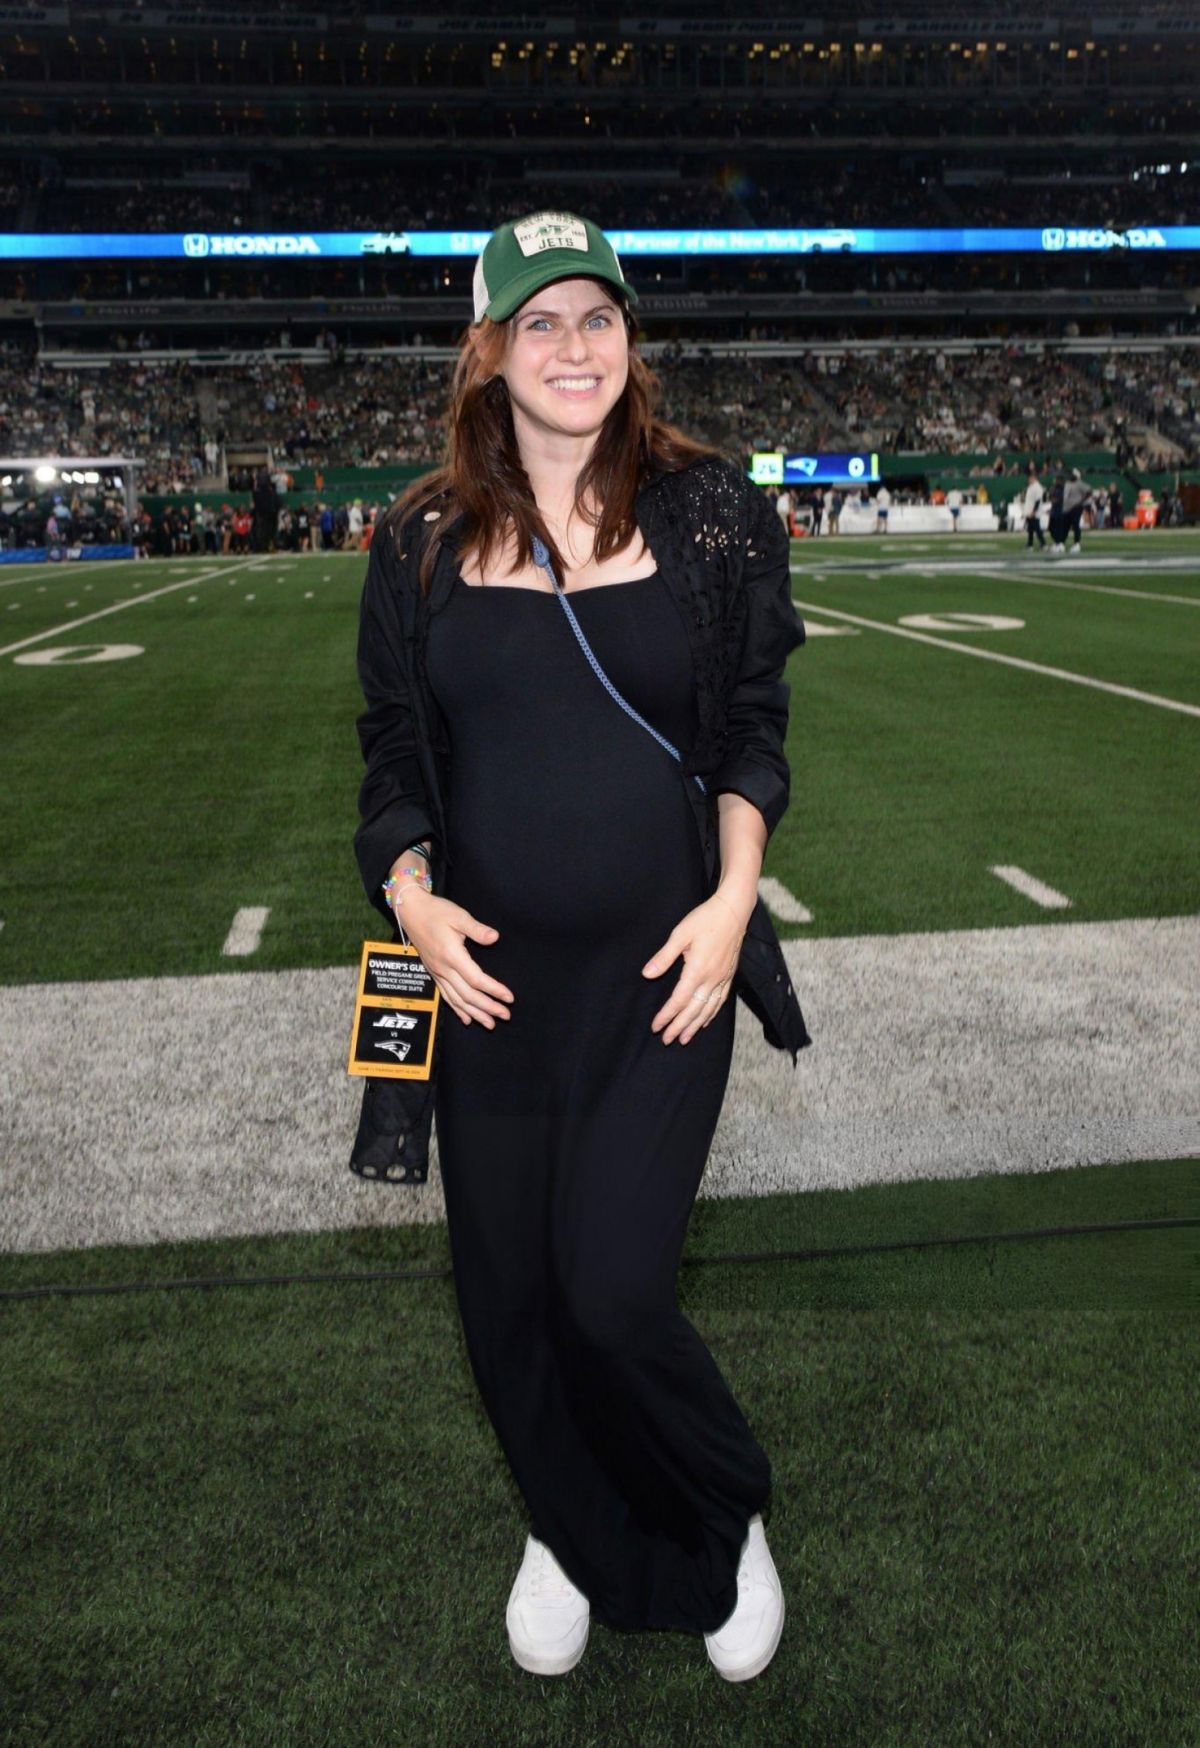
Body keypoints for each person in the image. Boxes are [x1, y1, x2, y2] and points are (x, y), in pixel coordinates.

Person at [353, 210, 807, 1683]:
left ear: (631, 341)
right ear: (485, 352)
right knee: (509, 1308)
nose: (572, 348)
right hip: (482, 995)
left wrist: (735, 901)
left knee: (610, 1290)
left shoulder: (716, 511)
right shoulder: (416, 541)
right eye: (537, 322)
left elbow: (750, 733)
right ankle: (567, 1516)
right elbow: (393, 765)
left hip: (665, 979)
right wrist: (410, 895)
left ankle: (721, 1510)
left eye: (596, 318)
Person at [1062, 468, 1092, 555]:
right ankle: (1062, 543)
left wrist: (1081, 501)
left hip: (1076, 507)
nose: (1070, 476)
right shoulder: (1067, 483)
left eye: (1071, 475)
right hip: (1067, 507)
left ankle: (1077, 544)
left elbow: (1089, 491)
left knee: (1075, 525)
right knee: (1065, 526)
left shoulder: (1079, 483)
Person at [1022, 469, 1046, 550]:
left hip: (1034, 512)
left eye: (1030, 478)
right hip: (1029, 511)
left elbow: (1038, 500)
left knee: (1037, 529)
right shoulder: (1031, 487)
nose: (1029, 479)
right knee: (1030, 529)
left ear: (1034, 478)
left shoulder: (1038, 487)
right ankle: (1030, 544)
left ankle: (1043, 544)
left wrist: (1034, 511)